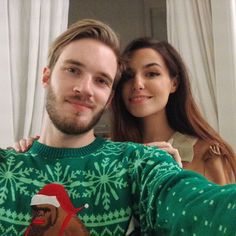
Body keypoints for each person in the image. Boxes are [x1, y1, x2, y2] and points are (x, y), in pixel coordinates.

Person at [2, 18, 236, 236]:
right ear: (46, 77)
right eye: (72, 70)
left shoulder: (141, 164)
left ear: (109, 98)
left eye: (102, 80)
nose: (85, 88)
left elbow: (201, 207)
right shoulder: (9, 165)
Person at [111, 37, 236, 185]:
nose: (137, 84)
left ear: (174, 83)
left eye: (151, 73)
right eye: (128, 76)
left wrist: (176, 180)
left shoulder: (208, 154)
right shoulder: (111, 157)